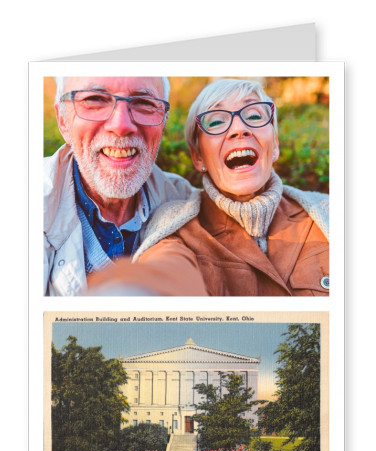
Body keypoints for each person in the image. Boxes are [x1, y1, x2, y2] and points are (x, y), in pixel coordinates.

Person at [87, 78, 329, 296]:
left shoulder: (328, 213)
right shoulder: (176, 229)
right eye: (216, 121)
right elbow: (165, 271)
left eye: (254, 116)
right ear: (198, 157)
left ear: (274, 144)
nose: (239, 129)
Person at [44, 76, 198, 296]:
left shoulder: (187, 204)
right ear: (62, 120)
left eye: (144, 103)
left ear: (163, 121)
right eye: (95, 99)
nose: (121, 126)